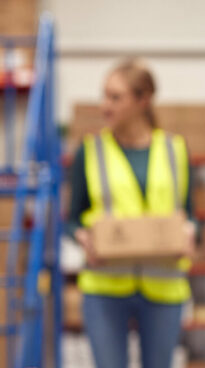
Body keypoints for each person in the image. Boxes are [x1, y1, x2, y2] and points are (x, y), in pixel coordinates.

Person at [68, 59, 195, 368]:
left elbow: (189, 214)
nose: (105, 106)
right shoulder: (90, 150)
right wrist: (82, 237)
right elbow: (71, 219)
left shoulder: (174, 149)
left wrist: (192, 232)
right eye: (104, 96)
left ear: (143, 100)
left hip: (164, 284)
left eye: (115, 97)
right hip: (105, 285)